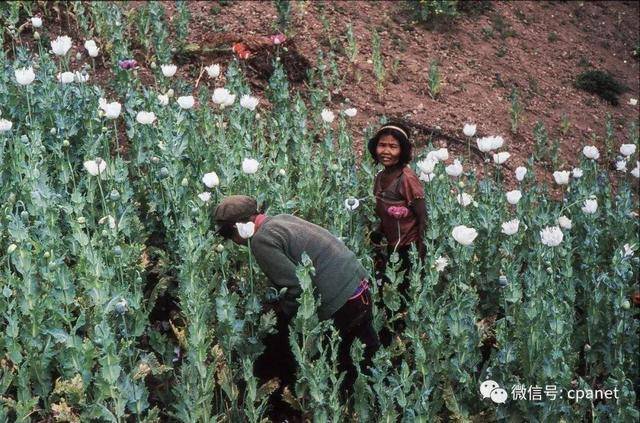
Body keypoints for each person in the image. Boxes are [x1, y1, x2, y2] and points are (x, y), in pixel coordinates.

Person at [213, 195, 380, 411]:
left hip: (341, 301)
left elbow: (296, 287)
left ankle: (333, 407)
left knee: (335, 363)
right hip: (359, 286)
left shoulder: (260, 241)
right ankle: (376, 400)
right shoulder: (280, 220)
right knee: (368, 357)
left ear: (240, 226)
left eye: (227, 233)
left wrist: (292, 326)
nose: (230, 240)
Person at [368, 123, 426, 344]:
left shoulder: (407, 179)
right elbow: (383, 212)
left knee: (404, 291)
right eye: (382, 145)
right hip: (392, 244)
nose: (386, 151)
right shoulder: (380, 177)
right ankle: (389, 329)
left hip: (408, 245)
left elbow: (422, 217)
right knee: (389, 287)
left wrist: (420, 251)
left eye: (393, 146)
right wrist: (379, 231)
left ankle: (402, 335)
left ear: (403, 151)